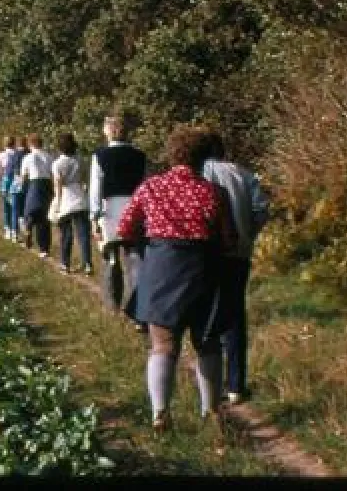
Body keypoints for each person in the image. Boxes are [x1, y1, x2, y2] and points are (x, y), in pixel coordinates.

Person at [116, 124, 238, 433]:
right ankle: (210, 410)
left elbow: (125, 229)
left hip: (161, 269)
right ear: (204, 158)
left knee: (163, 345)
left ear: (172, 154)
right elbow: (229, 240)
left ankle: (160, 412)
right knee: (207, 343)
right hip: (203, 271)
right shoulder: (214, 192)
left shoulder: (150, 187)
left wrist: (144, 245)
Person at [201, 131, 270, 406]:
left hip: (205, 253)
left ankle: (211, 384)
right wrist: (248, 234)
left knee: (207, 317)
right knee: (235, 315)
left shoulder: (198, 174)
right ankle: (236, 384)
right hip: (238, 253)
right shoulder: (244, 174)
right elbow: (261, 209)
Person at [89, 115, 148, 325]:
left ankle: (113, 304)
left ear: (108, 131)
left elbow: (96, 188)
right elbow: (145, 186)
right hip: (134, 209)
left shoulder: (100, 156)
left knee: (111, 260)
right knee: (135, 261)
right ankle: (138, 311)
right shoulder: (140, 156)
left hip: (110, 211)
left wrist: (94, 217)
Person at [51, 132, 92, 275]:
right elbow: (86, 180)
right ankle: (87, 263)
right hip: (80, 197)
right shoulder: (81, 160)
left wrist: (57, 203)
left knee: (66, 234)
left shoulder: (57, 164)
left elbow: (58, 185)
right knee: (83, 234)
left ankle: (65, 264)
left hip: (66, 199)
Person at [19, 133, 55, 259]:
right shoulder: (49, 157)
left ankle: (28, 230)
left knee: (29, 211)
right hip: (46, 185)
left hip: (34, 184)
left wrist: (22, 188)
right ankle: (44, 249)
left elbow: (23, 177)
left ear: (30, 144)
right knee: (44, 218)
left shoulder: (28, 157)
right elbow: (53, 175)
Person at [0, 136, 18, 239]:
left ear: (4, 144)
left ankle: (8, 230)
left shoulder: (1, 155)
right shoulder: (18, 154)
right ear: (14, 143)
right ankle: (15, 232)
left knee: (6, 207)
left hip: (5, 182)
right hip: (16, 182)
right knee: (15, 208)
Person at [8, 137, 29, 242]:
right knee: (24, 211)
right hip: (27, 185)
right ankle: (25, 232)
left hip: (16, 184)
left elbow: (12, 171)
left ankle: (15, 234)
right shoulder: (29, 153)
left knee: (15, 210)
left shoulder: (14, 154)